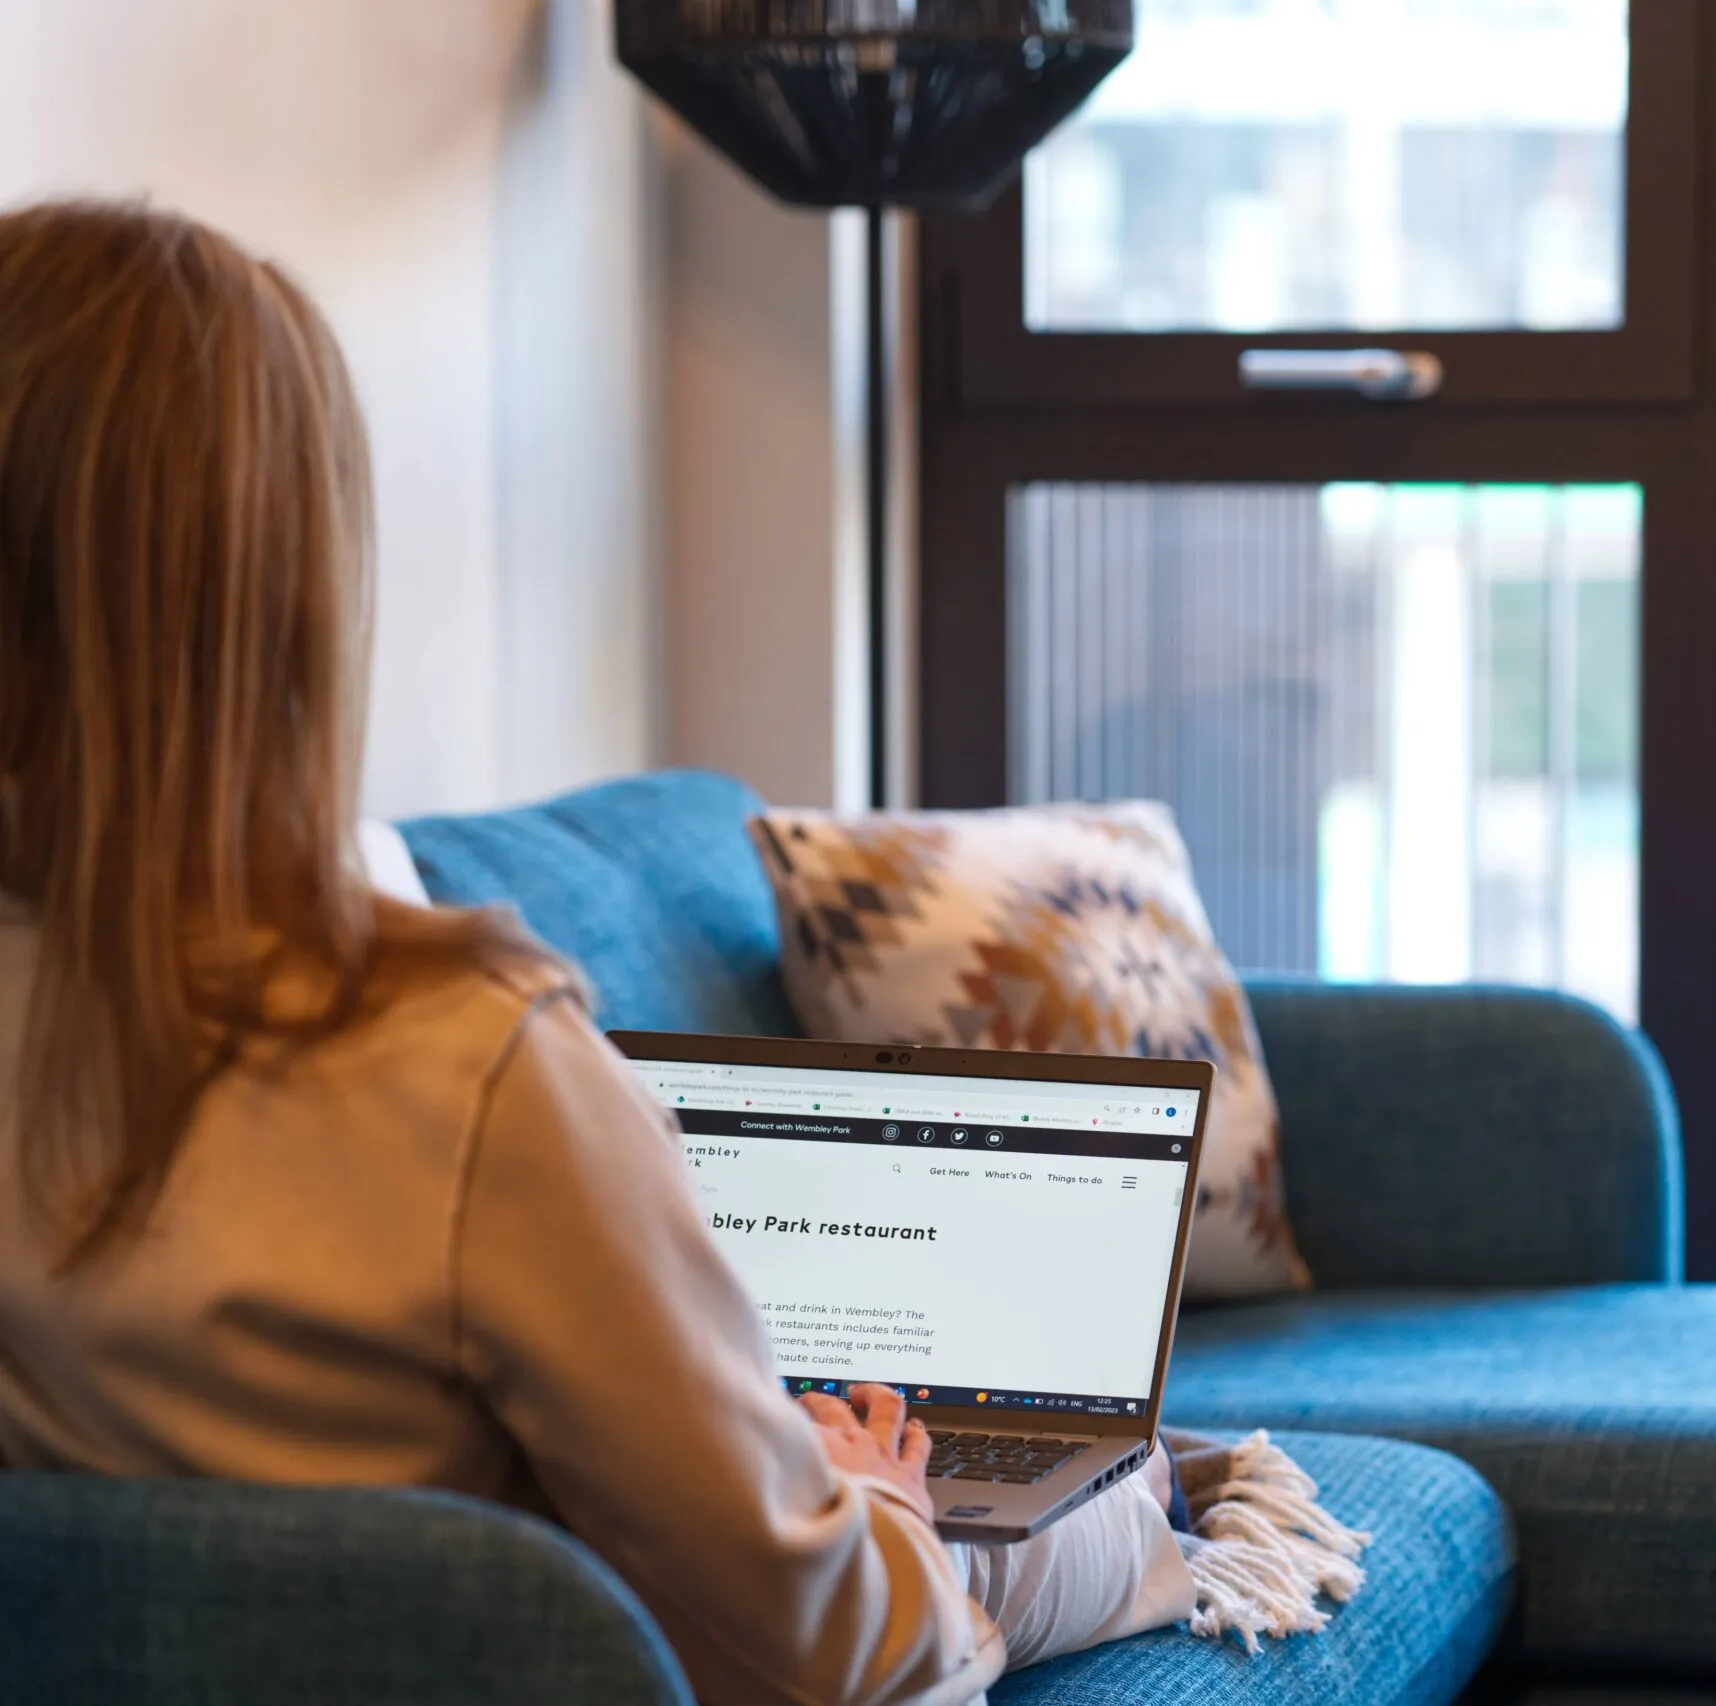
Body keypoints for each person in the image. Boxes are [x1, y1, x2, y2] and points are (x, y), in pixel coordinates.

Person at [0, 199, 1193, 1704]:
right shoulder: (456, 1057)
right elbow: (833, 1650)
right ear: (285, 591)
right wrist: (878, 1501)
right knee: (1101, 1510)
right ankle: (1157, 1505)